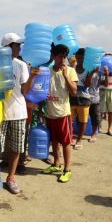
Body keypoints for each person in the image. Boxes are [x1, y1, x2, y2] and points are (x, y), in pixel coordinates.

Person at [0, 33, 37, 193]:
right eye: (17, 45)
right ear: (7, 47)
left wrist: (32, 76)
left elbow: (25, 91)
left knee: (16, 147)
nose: (20, 48)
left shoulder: (20, 65)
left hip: (18, 112)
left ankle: (11, 178)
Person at [41, 44, 78, 183]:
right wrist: (40, 111)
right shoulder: (47, 71)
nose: (63, 60)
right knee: (54, 141)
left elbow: (74, 91)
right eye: (60, 56)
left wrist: (65, 75)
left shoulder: (70, 71)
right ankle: (57, 164)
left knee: (66, 142)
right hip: (50, 113)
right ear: (54, 57)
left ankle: (67, 169)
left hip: (63, 113)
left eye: (65, 57)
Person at [70, 48, 92, 150]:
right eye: (78, 57)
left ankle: (79, 140)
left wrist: (91, 74)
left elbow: (87, 85)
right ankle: (69, 138)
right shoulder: (71, 68)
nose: (79, 59)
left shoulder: (88, 70)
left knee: (83, 121)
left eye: (81, 58)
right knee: (69, 121)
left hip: (84, 99)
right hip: (71, 97)